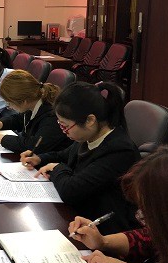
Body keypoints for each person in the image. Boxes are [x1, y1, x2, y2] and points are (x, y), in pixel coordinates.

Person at [21, 81, 140, 233]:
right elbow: (63, 155)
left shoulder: (120, 151)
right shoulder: (90, 135)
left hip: (103, 228)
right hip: (79, 214)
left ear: (90, 120)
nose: (64, 131)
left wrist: (57, 168)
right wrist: (39, 159)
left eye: (65, 126)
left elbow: (70, 191)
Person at [0, 70, 71, 154]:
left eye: (10, 103)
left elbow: (34, 145)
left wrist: (3, 139)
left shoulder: (52, 116)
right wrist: (2, 123)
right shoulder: (34, 102)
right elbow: (21, 119)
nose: (9, 107)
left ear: (24, 101)